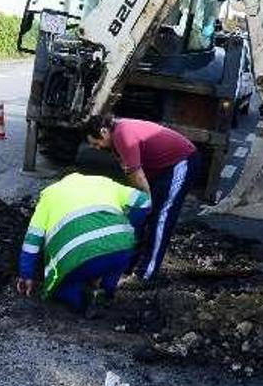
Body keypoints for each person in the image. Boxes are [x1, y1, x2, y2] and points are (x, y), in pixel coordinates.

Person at [85, 115, 201, 281]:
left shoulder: (123, 135)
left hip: (181, 161)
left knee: (161, 218)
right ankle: (126, 267)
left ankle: (145, 275)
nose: (97, 148)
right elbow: (131, 176)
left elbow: (138, 177)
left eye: (97, 143)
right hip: (159, 169)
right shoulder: (115, 139)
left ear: (103, 132)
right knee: (139, 217)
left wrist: (147, 202)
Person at [17, 173, 151, 313]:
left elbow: (32, 241)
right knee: (115, 261)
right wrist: (130, 228)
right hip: (120, 247)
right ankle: (105, 291)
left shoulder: (49, 196)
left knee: (62, 286)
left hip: (75, 257)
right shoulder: (103, 182)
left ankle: (81, 306)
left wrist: (26, 275)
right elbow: (144, 201)